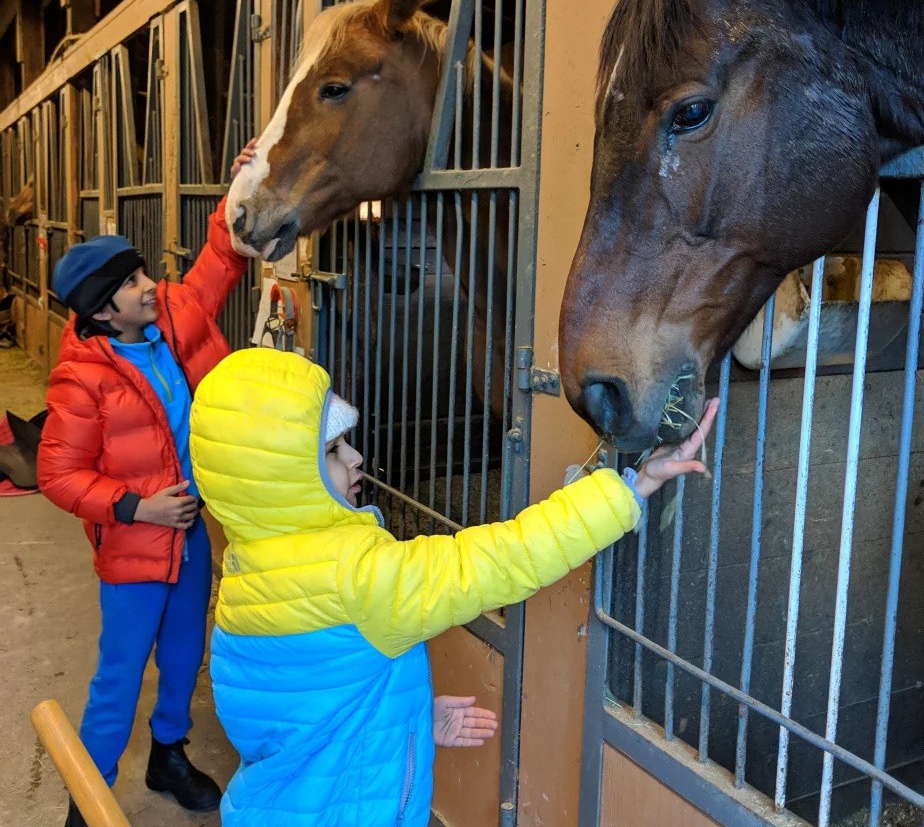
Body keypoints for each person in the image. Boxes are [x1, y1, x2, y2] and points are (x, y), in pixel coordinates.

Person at [190, 347, 719, 826]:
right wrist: (633, 487)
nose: (354, 458)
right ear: (285, 480)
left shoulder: (245, 572)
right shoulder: (359, 579)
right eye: (332, 449)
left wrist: (406, 719)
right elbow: (502, 559)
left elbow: (297, 720)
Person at [38, 189, 253, 827]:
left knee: (186, 653)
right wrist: (134, 507)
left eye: (142, 273)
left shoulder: (168, 319)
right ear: (105, 311)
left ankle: (168, 754)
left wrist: (237, 189)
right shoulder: (82, 380)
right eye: (132, 282)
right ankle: (89, 798)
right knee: (119, 677)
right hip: (135, 548)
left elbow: (219, 261)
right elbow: (56, 474)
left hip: (188, 537)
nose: (149, 285)